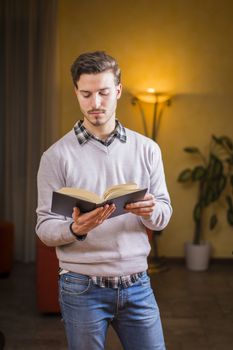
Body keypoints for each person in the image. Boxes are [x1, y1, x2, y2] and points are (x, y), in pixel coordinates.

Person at [36, 51, 172, 350]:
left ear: (119, 91)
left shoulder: (147, 149)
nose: (95, 103)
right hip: (80, 286)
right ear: (76, 92)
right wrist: (75, 229)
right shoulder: (55, 156)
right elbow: (45, 228)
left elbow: (164, 213)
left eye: (103, 93)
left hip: (137, 283)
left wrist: (151, 210)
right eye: (86, 94)